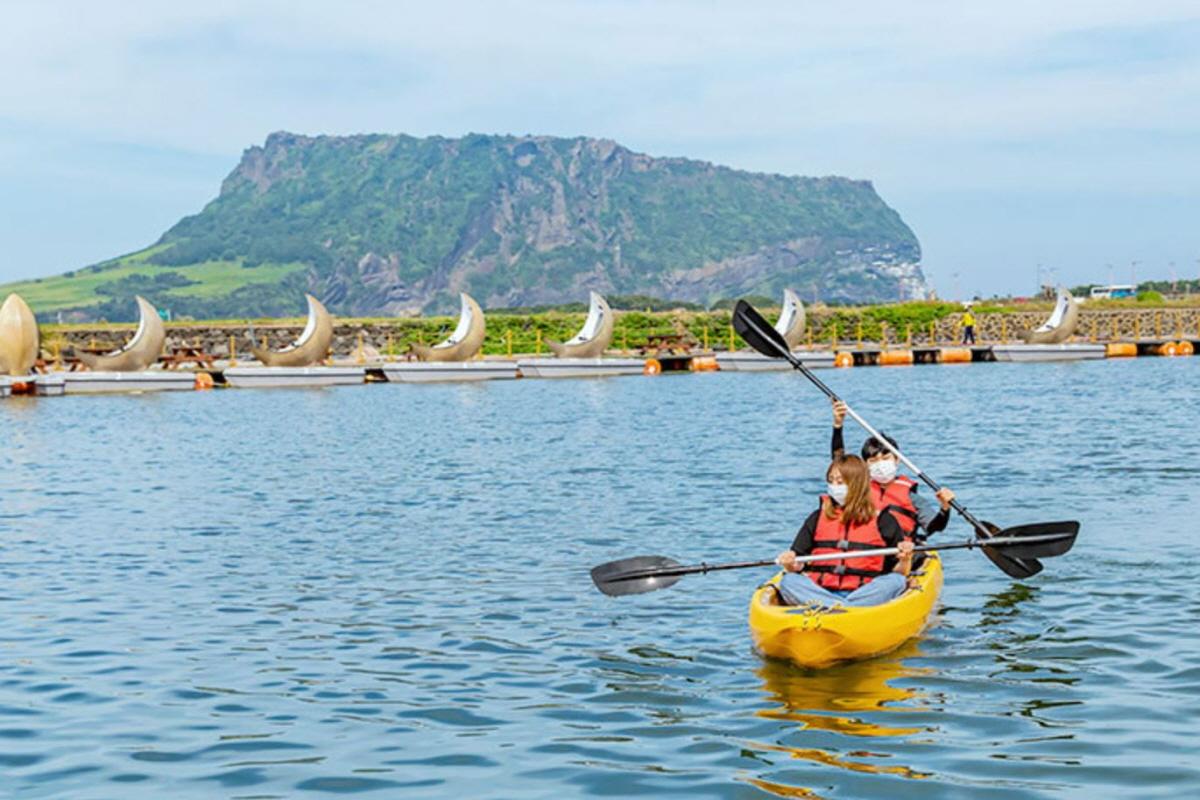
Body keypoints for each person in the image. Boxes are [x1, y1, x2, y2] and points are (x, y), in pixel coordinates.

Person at [775, 455, 915, 607]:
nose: (834, 486)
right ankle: (843, 608)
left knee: (896, 581)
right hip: (821, 590)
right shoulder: (817, 517)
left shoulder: (884, 520)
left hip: (864, 593)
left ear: (857, 484)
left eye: (840, 482)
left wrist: (905, 559)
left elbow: (900, 572)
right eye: (831, 481)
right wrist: (789, 562)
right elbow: (798, 565)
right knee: (789, 581)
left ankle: (835, 607)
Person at [831, 400, 954, 541]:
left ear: (897, 460)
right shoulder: (859, 490)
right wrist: (838, 425)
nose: (880, 464)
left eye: (886, 458)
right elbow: (838, 464)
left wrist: (945, 508)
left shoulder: (912, 497)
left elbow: (934, 527)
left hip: (899, 553)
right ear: (865, 466)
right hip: (868, 550)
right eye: (873, 460)